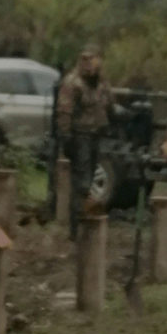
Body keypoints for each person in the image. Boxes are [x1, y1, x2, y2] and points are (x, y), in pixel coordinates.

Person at [55, 44, 113, 239]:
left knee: (89, 182)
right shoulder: (73, 83)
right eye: (85, 60)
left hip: (96, 134)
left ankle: (84, 223)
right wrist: (67, 138)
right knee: (81, 183)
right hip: (80, 136)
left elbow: (108, 104)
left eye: (92, 59)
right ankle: (76, 228)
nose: (89, 64)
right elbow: (64, 112)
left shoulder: (101, 82)